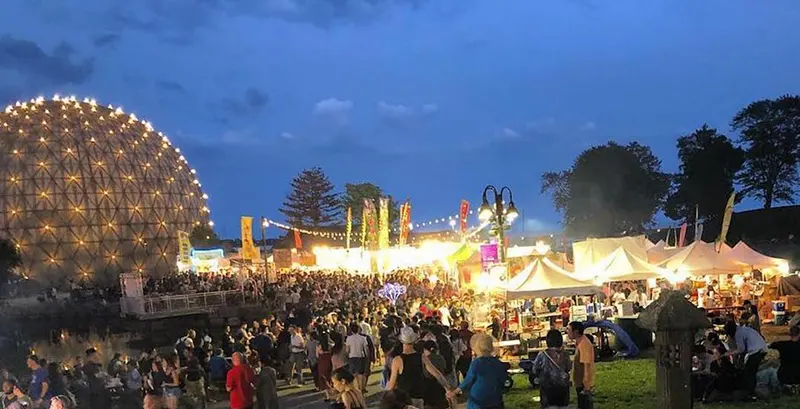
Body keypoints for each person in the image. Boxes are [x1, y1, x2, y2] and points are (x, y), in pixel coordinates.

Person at [387, 327, 450, 409]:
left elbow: (392, 384)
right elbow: (437, 374)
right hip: (418, 397)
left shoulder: (397, 360)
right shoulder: (421, 357)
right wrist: (447, 388)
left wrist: (386, 398)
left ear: (401, 341)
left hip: (404, 400)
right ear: (414, 341)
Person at [446, 332, 506, 409]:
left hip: (478, 398)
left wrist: (454, 392)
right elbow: (503, 379)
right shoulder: (498, 363)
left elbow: (468, 380)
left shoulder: (477, 363)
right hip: (495, 398)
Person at [723, 321, 767, 401]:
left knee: (749, 374)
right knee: (751, 372)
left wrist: (728, 353)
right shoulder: (745, 329)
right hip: (762, 348)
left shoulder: (738, 333)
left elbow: (741, 349)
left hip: (755, 351)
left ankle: (751, 395)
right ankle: (752, 393)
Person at [532, 329, 572, 408]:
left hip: (547, 388)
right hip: (563, 387)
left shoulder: (542, 355)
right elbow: (569, 367)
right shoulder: (565, 354)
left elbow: (535, 369)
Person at [567, 321, 595, 409]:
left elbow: (586, 364)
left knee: (585, 405)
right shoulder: (580, 342)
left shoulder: (584, 344)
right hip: (580, 382)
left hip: (583, 384)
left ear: (576, 332)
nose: (567, 332)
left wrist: (586, 384)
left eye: (569, 330)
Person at [420, 341, 448, 409]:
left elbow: (425, 372)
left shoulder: (426, 360)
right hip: (440, 385)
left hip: (428, 386)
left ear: (425, 350)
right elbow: (444, 369)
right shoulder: (441, 358)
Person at [345, 324, 369, 393]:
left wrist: (347, 356)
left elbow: (347, 350)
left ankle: (355, 389)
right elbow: (366, 349)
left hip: (352, 356)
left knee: (353, 374)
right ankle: (361, 388)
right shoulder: (362, 338)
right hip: (360, 356)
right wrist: (367, 356)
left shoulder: (348, 338)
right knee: (360, 373)